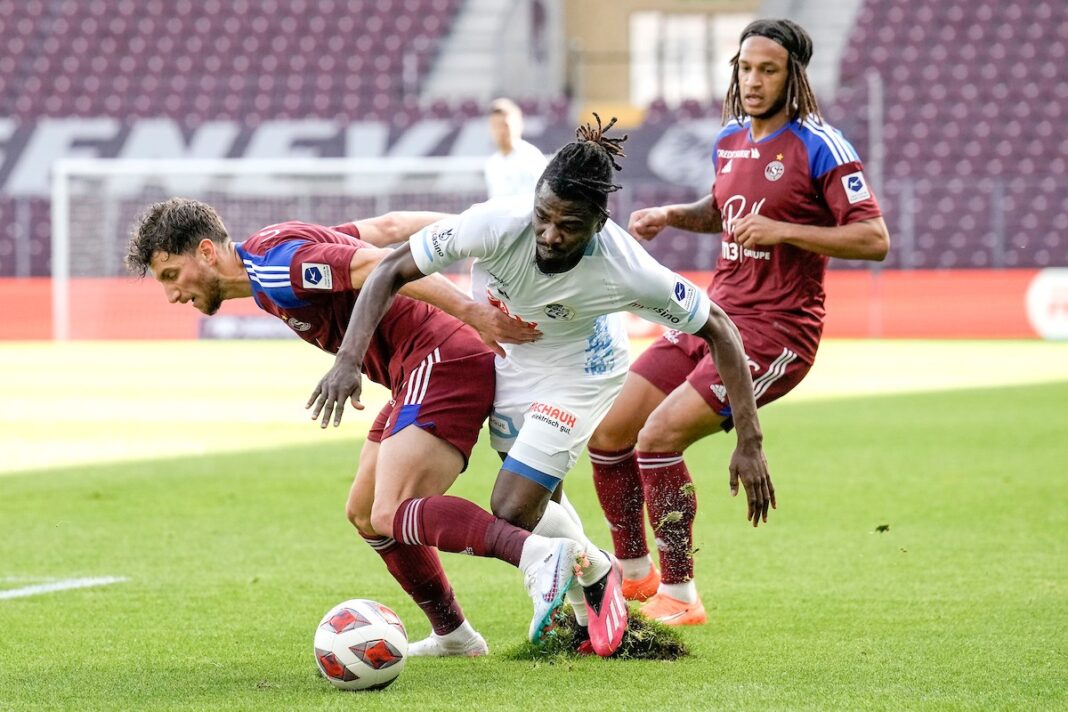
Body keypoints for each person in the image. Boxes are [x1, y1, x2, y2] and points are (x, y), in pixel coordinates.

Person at [307, 114, 774, 657]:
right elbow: (390, 269)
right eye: (543, 217)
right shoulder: (494, 223)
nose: (550, 234)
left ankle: (596, 572)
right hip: (514, 360)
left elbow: (720, 328)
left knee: (512, 507)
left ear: (598, 222)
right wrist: (348, 359)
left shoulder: (627, 269)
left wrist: (750, 440)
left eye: (569, 225)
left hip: (582, 370)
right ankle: (589, 597)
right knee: (543, 496)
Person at [124, 200, 588, 657]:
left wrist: (471, 311)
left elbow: (385, 264)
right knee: (366, 512)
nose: (172, 295)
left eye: (171, 275)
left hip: (440, 357)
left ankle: (537, 557)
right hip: (414, 369)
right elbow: (391, 226)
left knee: (392, 510)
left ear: (207, 252)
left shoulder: (279, 267)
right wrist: (481, 232)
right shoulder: (272, 251)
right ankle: (455, 636)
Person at [586, 18, 891, 626]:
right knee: (609, 432)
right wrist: (674, 214)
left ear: (794, 76)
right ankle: (636, 574)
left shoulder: (822, 145)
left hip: (777, 332)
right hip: (713, 316)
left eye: (767, 70)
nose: (753, 81)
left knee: (658, 438)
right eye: (745, 69)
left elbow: (873, 238)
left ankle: (681, 595)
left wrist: (784, 231)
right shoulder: (729, 138)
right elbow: (726, 209)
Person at [484, 98, 549, 199]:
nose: (501, 131)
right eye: (496, 126)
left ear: (519, 125)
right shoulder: (492, 164)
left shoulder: (532, 158)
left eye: (505, 125)